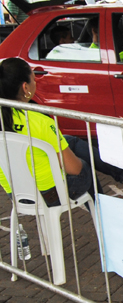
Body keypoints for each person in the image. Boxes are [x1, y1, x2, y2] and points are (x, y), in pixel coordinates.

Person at [0, 58, 94, 204]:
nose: (35, 82)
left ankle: (120, 175)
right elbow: (74, 169)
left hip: (18, 195)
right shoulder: (41, 121)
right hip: (49, 195)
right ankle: (103, 217)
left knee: (70, 141)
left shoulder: (6, 118)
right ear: (25, 87)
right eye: (33, 79)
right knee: (85, 166)